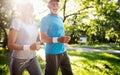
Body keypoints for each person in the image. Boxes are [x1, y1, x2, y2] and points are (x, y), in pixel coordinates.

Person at [7, 2, 42, 75]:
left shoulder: (35, 23)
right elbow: (10, 45)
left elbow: (36, 39)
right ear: (20, 10)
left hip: (32, 58)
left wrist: (38, 44)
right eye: (24, 9)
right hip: (18, 60)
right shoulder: (17, 22)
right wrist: (29, 47)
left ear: (32, 10)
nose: (27, 11)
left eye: (29, 9)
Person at [40, 0, 73, 75]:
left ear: (59, 6)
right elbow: (43, 38)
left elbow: (60, 34)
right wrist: (58, 40)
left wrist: (65, 42)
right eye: (53, 4)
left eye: (57, 4)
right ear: (48, 6)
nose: (55, 6)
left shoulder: (60, 18)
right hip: (52, 53)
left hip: (63, 51)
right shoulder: (45, 19)